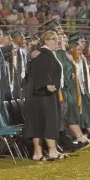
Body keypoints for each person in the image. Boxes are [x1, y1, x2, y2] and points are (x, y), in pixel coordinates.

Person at [23, 30, 64, 161]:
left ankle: (39, 153)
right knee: (46, 122)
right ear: (46, 40)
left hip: (40, 94)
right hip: (42, 95)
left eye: (56, 39)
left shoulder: (44, 54)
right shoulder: (43, 54)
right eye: (53, 39)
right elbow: (41, 72)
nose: (56, 42)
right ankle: (49, 151)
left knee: (39, 123)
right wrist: (47, 84)